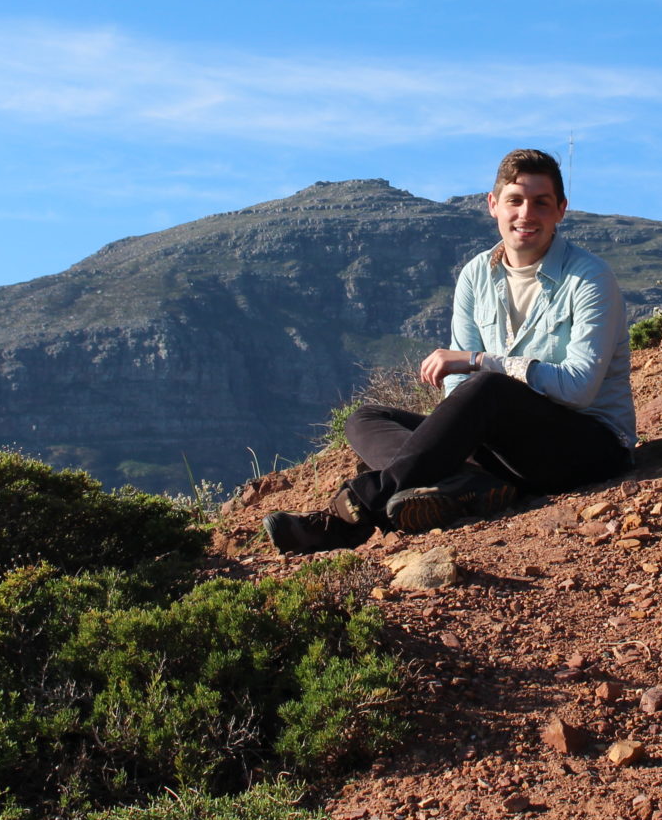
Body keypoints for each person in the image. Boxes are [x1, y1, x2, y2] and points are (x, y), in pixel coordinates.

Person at [263, 148, 636, 553]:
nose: (526, 214)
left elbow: (578, 389)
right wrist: (454, 436)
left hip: (587, 448)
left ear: (561, 210)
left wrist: (480, 362)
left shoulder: (589, 278)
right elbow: (458, 388)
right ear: (493, 206)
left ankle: (350, 516)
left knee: (488, 387)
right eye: (515, 200)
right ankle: (469, 484)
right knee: (366, 418)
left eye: (541, 203)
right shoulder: (477, 274)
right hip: (507, 450)